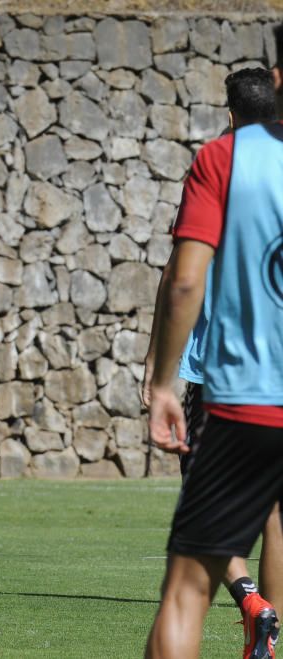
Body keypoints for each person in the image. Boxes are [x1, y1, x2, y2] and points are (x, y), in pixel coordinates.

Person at [144, 60, 283, 658]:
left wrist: (162, 375)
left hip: (233, 387)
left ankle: (252, 602)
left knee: (184, 586)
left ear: (229, 116)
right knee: (276, 516)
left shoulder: (219, 163)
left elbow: (181, 281)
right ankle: (271, 634)